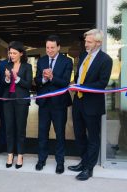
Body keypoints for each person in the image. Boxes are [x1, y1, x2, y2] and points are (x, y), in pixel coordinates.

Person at [68, 29, 112, 180]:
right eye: (85, 41)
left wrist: (81, 87)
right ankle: (84, 161)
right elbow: (79, 77)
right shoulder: (82, 57)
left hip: (92, 105)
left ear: (98, 43)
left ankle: (89, 168)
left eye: (89, 42)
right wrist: (74, 84)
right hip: (78, 102)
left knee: (93, 137)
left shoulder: (106, 60)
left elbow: (102, 83)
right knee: (79, 134)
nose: (85, 44)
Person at [34, 35, 73, 174]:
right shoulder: (42, 60)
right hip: (44, 103)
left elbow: (65, 82)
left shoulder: (67, 61)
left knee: (60, 134)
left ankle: (60, 162)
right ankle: (41, 159)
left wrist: (52, 77)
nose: (49, 50)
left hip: (59, 104)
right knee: (42, 132)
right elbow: (36, 80)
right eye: (47, 47)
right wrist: (44, 79)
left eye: (52, 47)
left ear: (58, 47)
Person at [2, 41, 32, 169]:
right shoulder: (6, 65)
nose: (12, 55)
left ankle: (20, 155)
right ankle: (10, 154)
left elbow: (29, 84)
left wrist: (17, 77)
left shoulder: (27, 67)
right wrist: (8, 78)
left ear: (21, 53)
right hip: (8, 101)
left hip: (21, 101)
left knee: (20, 129)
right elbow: (3, 84)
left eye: (14, 53)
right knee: (9, 129)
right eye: (10, 53)